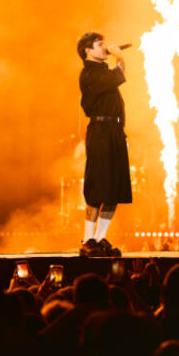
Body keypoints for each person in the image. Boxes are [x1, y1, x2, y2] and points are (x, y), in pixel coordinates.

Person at [77, 32, 131, 257]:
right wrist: (119, 57)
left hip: (114, 131)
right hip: (100, 132)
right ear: (88, 51)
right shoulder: (89, 73)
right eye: (99, 45)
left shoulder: (103, 71)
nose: (104, 47)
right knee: (98, 186)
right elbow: (119, 76)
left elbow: (117, 77)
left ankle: (100, 238)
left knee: (114, 188)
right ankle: (88, 238)